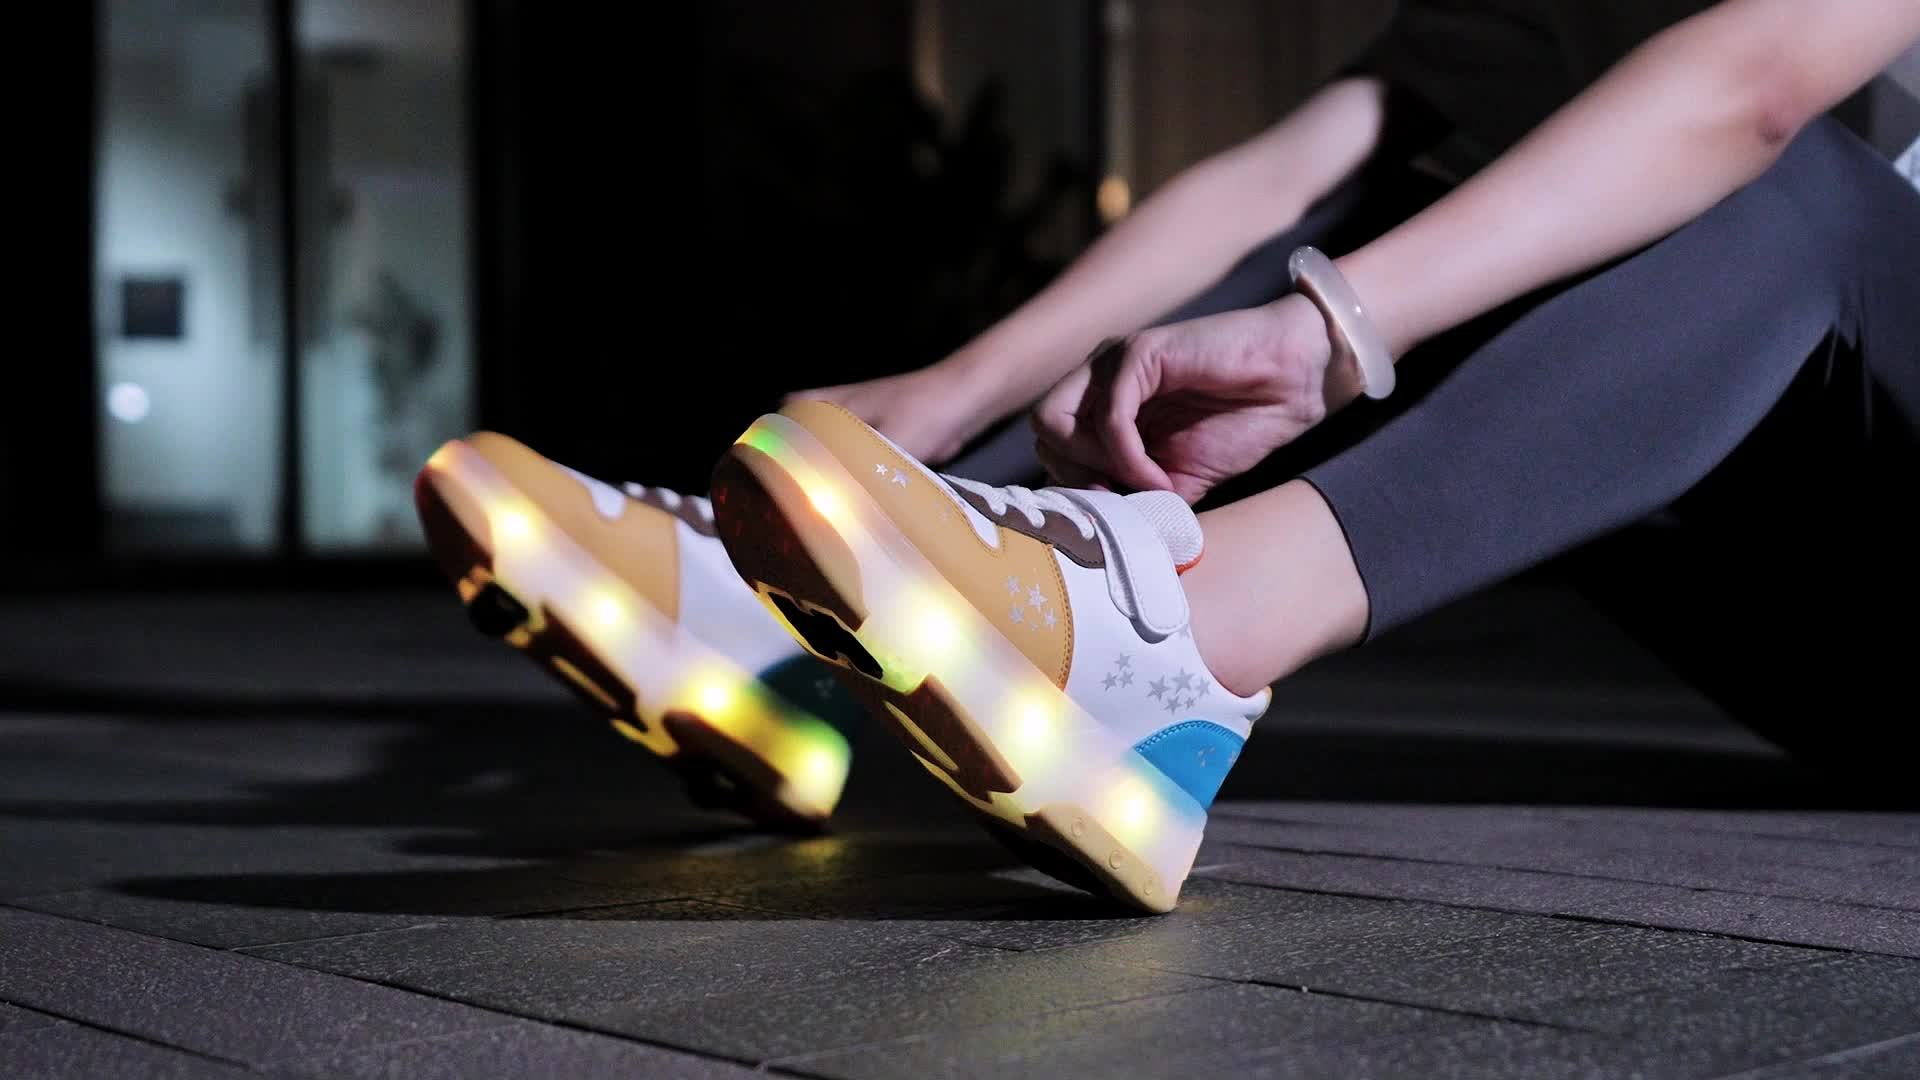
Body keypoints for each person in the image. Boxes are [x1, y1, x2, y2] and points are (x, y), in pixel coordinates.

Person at [419, 0, 1920, 910]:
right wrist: (947, 396)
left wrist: (1331, 334)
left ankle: (1180, 650)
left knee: (1778, 185)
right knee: (1426, 202)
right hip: (1831, 624)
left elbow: (1756, 85)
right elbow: (1287, 178)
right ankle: (781, 643)